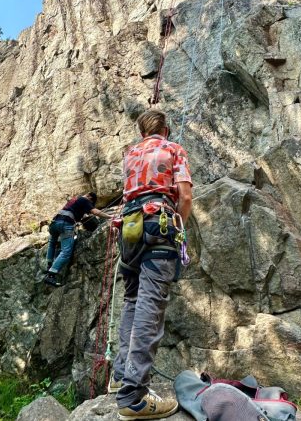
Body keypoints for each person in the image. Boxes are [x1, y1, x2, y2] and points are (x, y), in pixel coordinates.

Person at [110, 109, 193, 420]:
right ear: (167, 129)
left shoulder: (130, 154)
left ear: (141, 131)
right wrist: (179, 226)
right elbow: (184, 196)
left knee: (132, 300)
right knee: (150, 304)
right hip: (158, 224)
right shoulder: (173, 149)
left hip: (128, 228)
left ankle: (121, 375)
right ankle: (133, 396)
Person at [44, 192, 112, 286]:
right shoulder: (84, 200)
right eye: (91, 204)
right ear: (90, 198)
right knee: (66, 252)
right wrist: (110, 216)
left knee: (52, 243)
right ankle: (50, 275)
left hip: (54, 223)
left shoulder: (73, 200)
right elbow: (95, 212)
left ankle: (49, 266)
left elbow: (84, 216)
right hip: (65, 224)